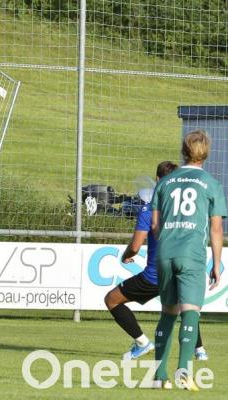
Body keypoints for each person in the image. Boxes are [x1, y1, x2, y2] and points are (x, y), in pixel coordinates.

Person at [150, 130, 225, 390]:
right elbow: (216, 229)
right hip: (191, 253)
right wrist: (217, 263)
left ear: (184, 150)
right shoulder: (212, 184)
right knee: (190, 311)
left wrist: (169, 240)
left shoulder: (164, 182)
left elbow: (155, 225)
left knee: (168, 313)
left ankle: (159, 377)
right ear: (206, 152)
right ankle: (184, 370)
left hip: (165, 252)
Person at [111, 161, 207, 361]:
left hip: (155, 275)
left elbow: (136, 246)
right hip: (182, 267)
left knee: (111, 299)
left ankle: (142, 343)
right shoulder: (184, 208)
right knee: (186, 306)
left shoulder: (150, 207)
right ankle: (200, 351)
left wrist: (127, 255)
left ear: (157, 179)